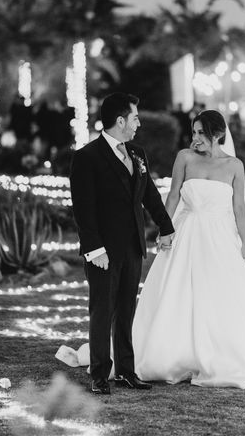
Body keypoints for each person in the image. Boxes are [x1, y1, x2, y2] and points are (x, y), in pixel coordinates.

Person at [132, 109, 245, 388]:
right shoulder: (184, 158)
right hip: (185, 232)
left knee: (219, 293)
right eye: (193, 133)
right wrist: (164, 230)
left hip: (219, 239)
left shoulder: (234, 166)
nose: (196, 138)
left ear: (217, 135)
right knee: (177, 291)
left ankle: (220, 355)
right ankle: (172, 353)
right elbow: (172, 195)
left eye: (201, 133)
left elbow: (239, 206)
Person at [69, 92, 175, 395]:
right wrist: (94, 249)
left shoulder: (138, 153)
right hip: (102, 251)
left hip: (132, 247)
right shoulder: (87, 157)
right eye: (135, 117)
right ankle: (100, 374)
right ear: (120, 121)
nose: (138, 123)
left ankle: (127, 371)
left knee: (127, 311)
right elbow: (83, 208)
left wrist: (166, 226)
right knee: (102, 311)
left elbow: (149, 195)